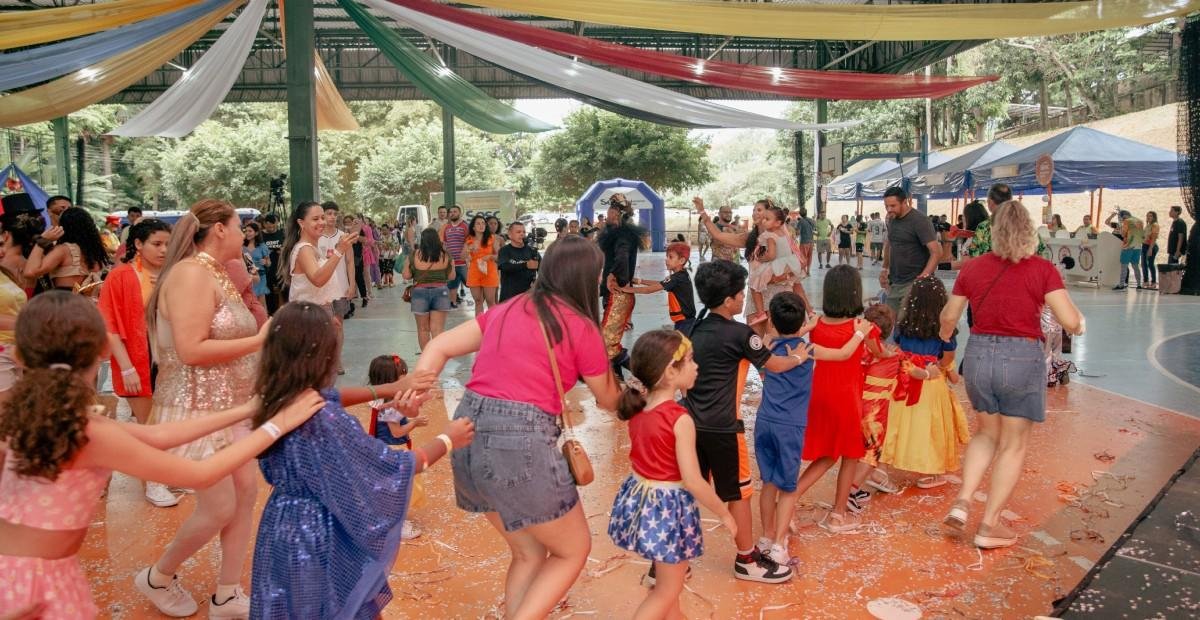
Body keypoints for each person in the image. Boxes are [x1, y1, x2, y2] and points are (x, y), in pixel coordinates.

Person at [0, 292, 325, 620]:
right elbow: (199, 474)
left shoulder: (37, 416)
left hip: (20, 570)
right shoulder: (87, 432)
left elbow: (158, 436)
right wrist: (276, 426)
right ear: (103, 349)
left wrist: (246, 410)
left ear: (19, 355)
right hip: (35, 581)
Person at [416, 236, 622, 619]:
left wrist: (417, 388)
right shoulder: (580, 325)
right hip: (519, 439)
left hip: (467, 431)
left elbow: (438, 346)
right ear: (586, 277)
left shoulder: (508, 308)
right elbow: (609, 399)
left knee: (529, 552)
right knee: (573, 550)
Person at [248, 302, 469, 619]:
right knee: (336, 605)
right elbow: (397, 467)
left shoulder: (274, 397)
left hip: (279, 526)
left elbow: (332, 396)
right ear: (325, 358)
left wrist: (392, 387)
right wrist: (448, 438)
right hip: (319, 534)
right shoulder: (325, 420)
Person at [134, 199, 275, 617]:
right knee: (219, 506)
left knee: (245, 495)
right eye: (238, 227)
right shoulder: (190, 274)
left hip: (231, 406)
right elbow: (191, 350)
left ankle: (227, 593)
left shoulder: (216, 272)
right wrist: (260, 340)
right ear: (219, 230)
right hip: (197, 410)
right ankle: (158, 576)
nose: (244, 235)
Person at [940, 200, 1084, 549]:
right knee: (1013, 444)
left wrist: (944, 343)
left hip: (978, 356)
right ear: (1029, 231)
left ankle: (963, 501)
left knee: (986, 433)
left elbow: (949, 317)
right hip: (1021, 358)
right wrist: (1080, 324)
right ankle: (988, 525)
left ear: (994, 231)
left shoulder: (973, 268)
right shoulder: (1042, 270)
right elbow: (1070, 321)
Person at [682, 259, 807, 584]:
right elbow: (774, 365)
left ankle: (671, 560)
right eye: (740, 294)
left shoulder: (690, 329)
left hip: (689, 425)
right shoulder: (740, 334)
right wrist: (799, 356)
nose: (743, 298)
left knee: (689, 490)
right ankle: (747, 560)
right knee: (739, 493)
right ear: (728, 301)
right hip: (725, 427)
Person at [608, 330, 736, 617]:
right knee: (666, 591)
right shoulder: (679, 419)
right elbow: (693, 481)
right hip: (667, 509)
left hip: (643, 504)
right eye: (690, 360)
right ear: (670, 372)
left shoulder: (639, 408)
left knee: (669, 592)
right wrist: (723, 513)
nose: (696, 366)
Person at [754, 292, 870, 563]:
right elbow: (843, 354)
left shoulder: (767, 345)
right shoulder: (808, 351)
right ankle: (779, 545)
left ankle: (766, 536)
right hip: (789, 426)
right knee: (788, 487)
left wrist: (805, 327)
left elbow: (777, 332)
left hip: (765, 421)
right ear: (801, 321)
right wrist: (860, 333)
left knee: (768, 483)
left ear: (771, 320)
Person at [784, 265, 872, 533]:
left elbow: (797, 336)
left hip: (819, 392)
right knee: (850, 454)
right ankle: (838, 515)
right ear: (855, 292)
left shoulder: (818, 324)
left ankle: (791, 499)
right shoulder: (859, 326)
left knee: (827, 454)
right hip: (846, 397)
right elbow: (877, 352)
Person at [98, 219, 177, 505]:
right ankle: (154, 481)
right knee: (148, 423)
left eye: (168, 244)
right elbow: (109, 325)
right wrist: (126, 366)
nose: (163, 250)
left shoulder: (174, 273)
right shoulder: (120, 276)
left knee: (169, 419)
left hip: (172, 356)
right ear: (139, 244)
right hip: (138, 356)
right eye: (157, 244)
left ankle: (169, 473)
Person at [879, 276, 970, 489]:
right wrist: (937, 367)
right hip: (930, 380)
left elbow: (898, 347)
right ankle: (931, 472)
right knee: (931, 426)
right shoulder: (945, 328)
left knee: (896, 423)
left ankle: (881, 467)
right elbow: (947, 359)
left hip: (904, 378)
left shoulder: (903, 325)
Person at [849, 303, 902, 507]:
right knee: (872, 451)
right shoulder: (894, 354)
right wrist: (928, 373)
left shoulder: (856, 348)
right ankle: (850, 491)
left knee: (854, 450)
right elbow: (912, 372)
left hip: (854, 404)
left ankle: (849, 488)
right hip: (875, 412)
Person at [309, 202, 358, 371]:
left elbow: (350, 261)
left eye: (334, 214)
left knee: (338, 324)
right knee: (322, 326)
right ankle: (323, 358)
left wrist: (352, 284)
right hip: (321, 288)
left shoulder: (344, 236)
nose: (331, 217)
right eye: (328, 213)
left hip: (340, 287)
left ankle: (337, 359)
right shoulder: (316, 237)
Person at [879, 187, 940, 321]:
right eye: (886, 206)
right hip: (895, 282)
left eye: (893, 206)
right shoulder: (891, 219)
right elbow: (890, 243)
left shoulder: (920, 221)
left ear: (904, 202)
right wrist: (884, 268)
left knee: (907, 324)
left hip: (913, 282)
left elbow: (936, 252)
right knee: (889, 323)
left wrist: (922, 279)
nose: (889, 209)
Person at [599, 194, 643, 373]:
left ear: (617, 214)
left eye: (610, 210)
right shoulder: (617, 233)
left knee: (606, 344)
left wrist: (613, 276)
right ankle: (621, 380)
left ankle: (647, 375)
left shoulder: (623, 236)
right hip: (617, 292)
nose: (607, 213)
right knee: (610, 344)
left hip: (617, 293)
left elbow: (622, 257)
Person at [25, 206, 110, 293]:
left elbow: (30, 272)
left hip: (65, 300)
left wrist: (42, 241)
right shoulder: (96, 252)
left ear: (63, 227)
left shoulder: (63, 250)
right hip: (91, 301)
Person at [622, 241, 696, 333]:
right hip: (684, 321)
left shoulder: (676, 278)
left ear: (681, 261)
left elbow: (647, 290)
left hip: (685, 322)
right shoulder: (682, 275)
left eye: (670, 257)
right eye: (667, 257)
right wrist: (639, 281)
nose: (666, 260)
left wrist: (625, 289)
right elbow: (661, 284)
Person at [748, 206, 803, 323]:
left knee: (754, 283)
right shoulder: (784, 233)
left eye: (767, 219)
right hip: (789, 264)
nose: (763, 221)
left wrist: (762, 258)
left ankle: (760, 313)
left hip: (777, 265)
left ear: (778, 223)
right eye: (764, 218)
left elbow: (772, 255)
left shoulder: (770, 236)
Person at [404, 229, 454, 351]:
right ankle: (437, 356)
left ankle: (426, 357)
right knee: (437, 329)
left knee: (423, 329)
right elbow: (452, 276)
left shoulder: (414, 255)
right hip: (441, 291)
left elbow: (406, 275)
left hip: (419, 293)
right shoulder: (446, 255)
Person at [465, 214, 500, 317]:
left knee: (490, 301)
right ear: (473, 227)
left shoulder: (492, 238)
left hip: (489, 272)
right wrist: (468, 249)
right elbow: (462, 257)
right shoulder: (469, 239)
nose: (481, 225)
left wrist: (490, 256)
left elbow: (500, 256)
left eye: (483, 223)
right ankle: (479, 324)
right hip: (474, 273)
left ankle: (493, 323)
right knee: (478, 301)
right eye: (478, 223)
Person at [497, 221, 540, 302]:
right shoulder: (504, 250)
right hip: (509, 297)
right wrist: (525, 265)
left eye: (524, 232)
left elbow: (543, 270)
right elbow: (504, 266)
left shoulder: (532, 251)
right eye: (518, 232)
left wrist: (537, 283)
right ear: (510, 235)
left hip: (528, 296)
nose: (522, 234)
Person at [1106, 209, 1144, 290]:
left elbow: (1123, 234)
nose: (1120, 219)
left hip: (1128, 246)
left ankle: (1121, 284)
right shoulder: (1139, 221)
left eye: (1120, 217)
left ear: (1123, 216)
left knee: (1124, 266)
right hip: (1137, 246)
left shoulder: (1126, 222)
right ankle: (1139, 285)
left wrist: (1121, 230)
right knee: (1135, 266)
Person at [441, 205, 470, 309]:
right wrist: (446, 258)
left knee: (471, 283)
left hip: (463, 263)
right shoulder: (447, 228)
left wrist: (467, 258)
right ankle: (452, 302)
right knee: (452, 284)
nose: (452, 213)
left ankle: (479, 301)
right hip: (452, 263)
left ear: (460, 213)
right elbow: (445, 244)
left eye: (455, 211)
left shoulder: (465, 226)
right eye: (451, 212)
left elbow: (469, 242)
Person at [260, 213, 285, 315]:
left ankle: (285, 311)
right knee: (269, 292)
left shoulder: (282, 233)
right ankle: (271, 314)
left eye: (273, 225)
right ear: (264, 224)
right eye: (268, 226)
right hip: (267, 269)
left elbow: (288, 247)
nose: (271, 228)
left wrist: (283, 250)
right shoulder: (261, 235)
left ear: (276, 223)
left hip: (280, 267)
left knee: (284, 289)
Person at [242, 220, 270, 310]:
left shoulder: (262, 246)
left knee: (261, 302)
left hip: (260, 276)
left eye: (250, 231)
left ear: (256, 233)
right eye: (246, 231)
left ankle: (264, 318)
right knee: (249, 302)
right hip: (247, 276)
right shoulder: (242, 246)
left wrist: (265, 262)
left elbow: (269, 263)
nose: (247, 233)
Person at [1141, 211, 1160, 290]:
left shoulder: (1155, 225)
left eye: (1150, 216)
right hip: (1144, 245)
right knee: (1143, 264)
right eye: (1147, 216)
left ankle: (1153, 282)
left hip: (1151, 246)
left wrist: (1150, 249)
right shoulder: (1148, 225)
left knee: (1150, 264)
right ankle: (1145, 281)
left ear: (1154, 217)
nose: (1148, 217)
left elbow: (1154, 237)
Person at [795, 207, 815, 276]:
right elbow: (814, 228)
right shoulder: (811, 220)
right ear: (806, 213)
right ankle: (808, 271)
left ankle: (804, 271)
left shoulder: (800, 221)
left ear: (800, 214)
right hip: (811, 241)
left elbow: (798, 233)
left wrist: (795, 231)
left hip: (804, 242)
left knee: (803, 257)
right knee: (810, 256)